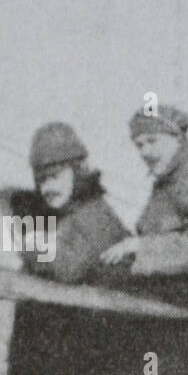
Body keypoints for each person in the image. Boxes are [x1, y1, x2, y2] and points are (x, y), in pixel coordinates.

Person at [99, 103, 188, 274]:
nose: (145, 152)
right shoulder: (170, 181)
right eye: (139, 145)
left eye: (152, 141)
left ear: (178, 139)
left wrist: (141, 245)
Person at [20, 122, 129, 285]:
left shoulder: (94, 214)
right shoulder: (69, 215)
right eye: (41, 181)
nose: (47, 188)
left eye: (54, 176)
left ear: (78, 172)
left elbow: (69, 270)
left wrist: (31, 245)